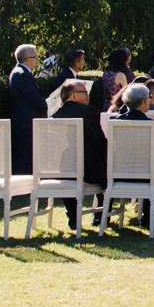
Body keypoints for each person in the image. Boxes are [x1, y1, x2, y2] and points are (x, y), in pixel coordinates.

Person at [51, 79, 106, 230]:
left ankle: (73, 216)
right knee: (106, 167)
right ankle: (101, 215)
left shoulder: (53, 117)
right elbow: (99, 141)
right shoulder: (88, 111)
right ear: (73, 96)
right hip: (88, 171)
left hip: (61, 171)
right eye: (84, 92)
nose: (88, 95)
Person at [117, 83, 154, 198]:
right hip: (149, 178)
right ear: (145, 101)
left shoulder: (114, 122)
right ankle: (149, 207)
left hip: (120, 175)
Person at [8, 44, 49, 174]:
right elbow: (33, 97)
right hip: (25, 123)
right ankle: (21, 188)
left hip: (26, 122)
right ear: (27, 60)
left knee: (28, 156)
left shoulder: (22, 73)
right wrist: (45, 109)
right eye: (35, 57)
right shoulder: (21, 74)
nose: (37, 60)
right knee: (24, 157)